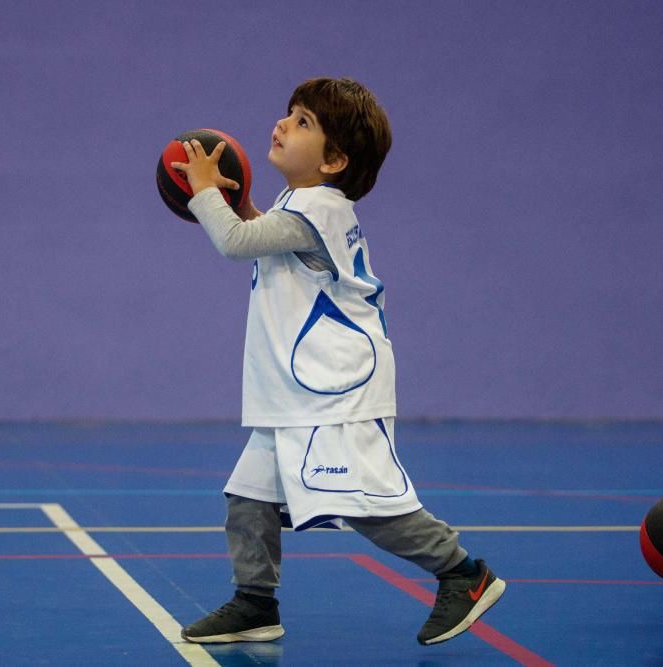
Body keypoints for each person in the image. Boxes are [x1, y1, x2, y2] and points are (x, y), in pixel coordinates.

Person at [169, 77, 504, 646]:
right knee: (249, 497)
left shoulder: (316, 208)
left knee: (367, 507)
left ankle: (464, 574)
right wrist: (241, 203)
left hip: (336, 388)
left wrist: (203, 191)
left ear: (335, 160)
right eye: (288, 113)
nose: (282, 124)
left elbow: (234, 242)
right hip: (300, 391)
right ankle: (255, 603)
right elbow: (261, 234)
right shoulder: (303, 205)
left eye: (303, 122)